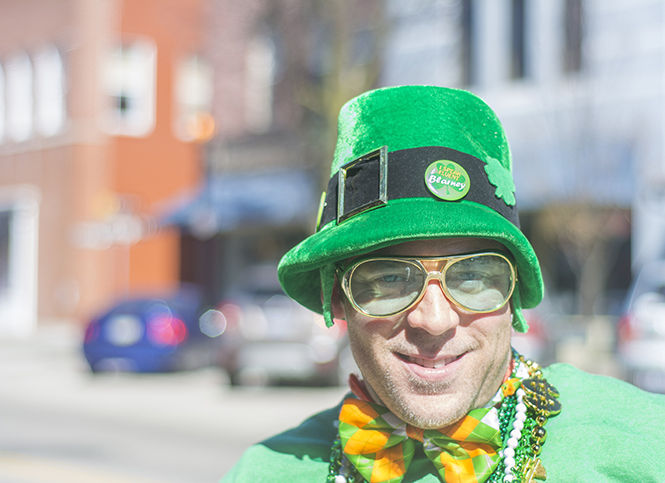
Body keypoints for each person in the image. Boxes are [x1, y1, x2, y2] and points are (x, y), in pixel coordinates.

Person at [224, 85, 665, 482]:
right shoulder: (267, 471)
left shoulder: (645, 447)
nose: (433, 321)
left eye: (473, 275)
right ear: (335, 298)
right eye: (389, 279)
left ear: (513, 295)